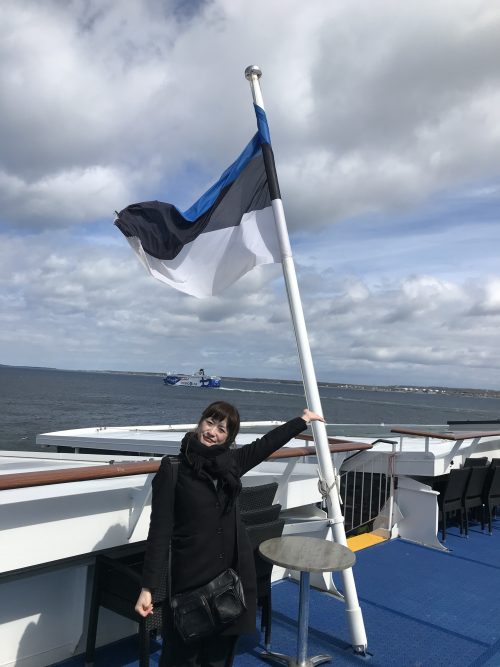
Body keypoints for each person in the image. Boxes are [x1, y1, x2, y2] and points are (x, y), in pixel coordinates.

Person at [135, 400, 325, 667]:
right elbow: (159, 530)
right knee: (182, 657)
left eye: (221, 429)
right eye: (210, 422)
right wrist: (148, 588)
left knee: (220, 657)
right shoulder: (174, 468)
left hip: (231, 578)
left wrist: (302, 420)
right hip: (190, 579)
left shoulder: (231, 464)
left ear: (229, 437)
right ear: (200, 422)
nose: (212, 432)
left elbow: (265, 445)